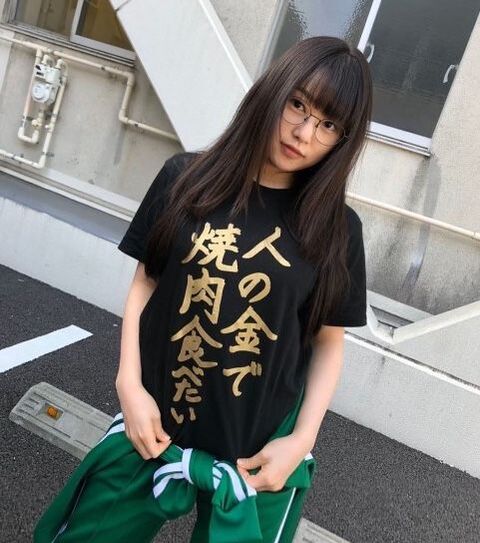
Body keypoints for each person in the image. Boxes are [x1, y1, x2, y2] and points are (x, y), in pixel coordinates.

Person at [34, 35, 372, 542]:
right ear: (273, 92)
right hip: (153, 428)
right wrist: (129, 385)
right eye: (298, 104)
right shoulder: (186, 177)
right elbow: (146, 281)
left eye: (328, 125)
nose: (304, 133)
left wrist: (301, 441)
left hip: (257, 457)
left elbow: (328, 341)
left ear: (343, 140)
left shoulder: (337, 230)